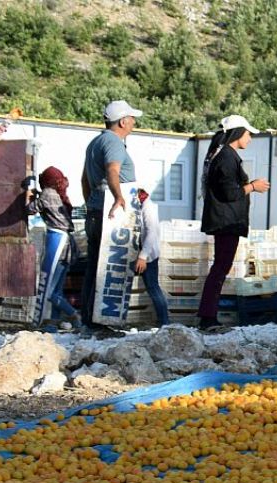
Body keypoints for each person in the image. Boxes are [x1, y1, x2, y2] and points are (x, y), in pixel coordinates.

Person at [198, 115, 270, 331]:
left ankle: (208, 316)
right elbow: (230, 192)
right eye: (248, 134)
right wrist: (252, 186)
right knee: (220, 268)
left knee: (221, 267)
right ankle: (207, 317)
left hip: (226, 220)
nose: (249, 139)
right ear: (238, 133)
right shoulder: (227, 157)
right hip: (226, 221)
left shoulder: (222, 155)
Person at [80, 100, 143, 330]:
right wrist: (118, 197)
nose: (134, 122)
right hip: (110, 212)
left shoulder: (95, 142)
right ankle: (99, 323)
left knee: (93, 266)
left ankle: (89, 320)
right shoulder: (114, 142)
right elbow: (113, 170)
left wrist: (91, 203)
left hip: (97, 208)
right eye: (132, 118)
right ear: (123, 121)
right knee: (106, 268)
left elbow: (84, 179)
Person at [25, 166, 80, 327]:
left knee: (48, 290)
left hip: (57, 243)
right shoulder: (59, 194)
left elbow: (30, 210)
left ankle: (74, 315)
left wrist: (29, 197)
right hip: (67, 245)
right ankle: (52, 326)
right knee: (57, 290)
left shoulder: (48, 193)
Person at [135, 188, 170, 326]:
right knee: (152, 287)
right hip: (141, 253)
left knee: (153, 287)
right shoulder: (140, 207)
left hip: (147, 255)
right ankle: (163, 321)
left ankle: (164, 321)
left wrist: (143, 256)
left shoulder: (148, 208)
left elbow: (151, 233)